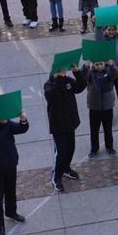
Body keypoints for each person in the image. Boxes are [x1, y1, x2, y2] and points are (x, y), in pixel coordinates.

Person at [44, 63, 87, 192]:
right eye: (61, 70)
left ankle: (66, 169)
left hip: (70, 122)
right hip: (58, 125)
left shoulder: (68, 80)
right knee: (61, 152)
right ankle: (56, 177)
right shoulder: (49, 85)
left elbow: (80, 87)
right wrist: (58, 79)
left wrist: (76, 72)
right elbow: (51, 95)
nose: (64, 72)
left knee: (70, 148)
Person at [81, 59, 118, 158]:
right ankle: (94, 148)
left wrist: (112, 65)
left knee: (108, 128)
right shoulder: (90, 73)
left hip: (107, 106)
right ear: (93, 65)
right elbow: (82, 77)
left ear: (104, 63)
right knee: (94, 129)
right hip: (94, 107)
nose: (99, 66)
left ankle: (109, 147)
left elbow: (115, 74)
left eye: (101, 64)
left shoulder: (108, 71)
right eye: (96, 64)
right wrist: (85, 66)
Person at [95, 24, 118, 124]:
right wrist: (97, 24)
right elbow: (97, 34)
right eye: (109, 30)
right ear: (105, 30)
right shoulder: (102, 39)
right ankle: (107, 116)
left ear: (116, 30)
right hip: (107, 71)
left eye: (113, 30)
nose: (111, 32)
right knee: (107, 95)